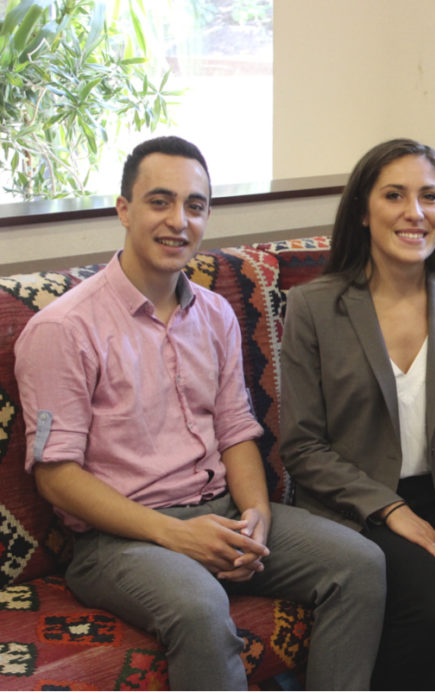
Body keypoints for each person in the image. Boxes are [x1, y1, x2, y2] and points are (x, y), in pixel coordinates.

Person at [13, 136, 386, 690]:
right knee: (201, 606)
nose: (178, 221)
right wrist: (176, 535)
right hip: (120, 541)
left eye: (195, 205)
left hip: (222, 512)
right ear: (124, 210)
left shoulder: (215, 314)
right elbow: (56, 476)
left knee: (361, 565)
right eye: (160, 201)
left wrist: (255, 517)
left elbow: (236, 432)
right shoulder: (63, 329)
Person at [279, 138, 435, 690]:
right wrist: (388, 508)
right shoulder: (313, 306)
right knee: (433, 606)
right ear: (363, 211)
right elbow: (302, 445)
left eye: (429, 196)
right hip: (358, 505)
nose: (415, 212)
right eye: (394, 195)